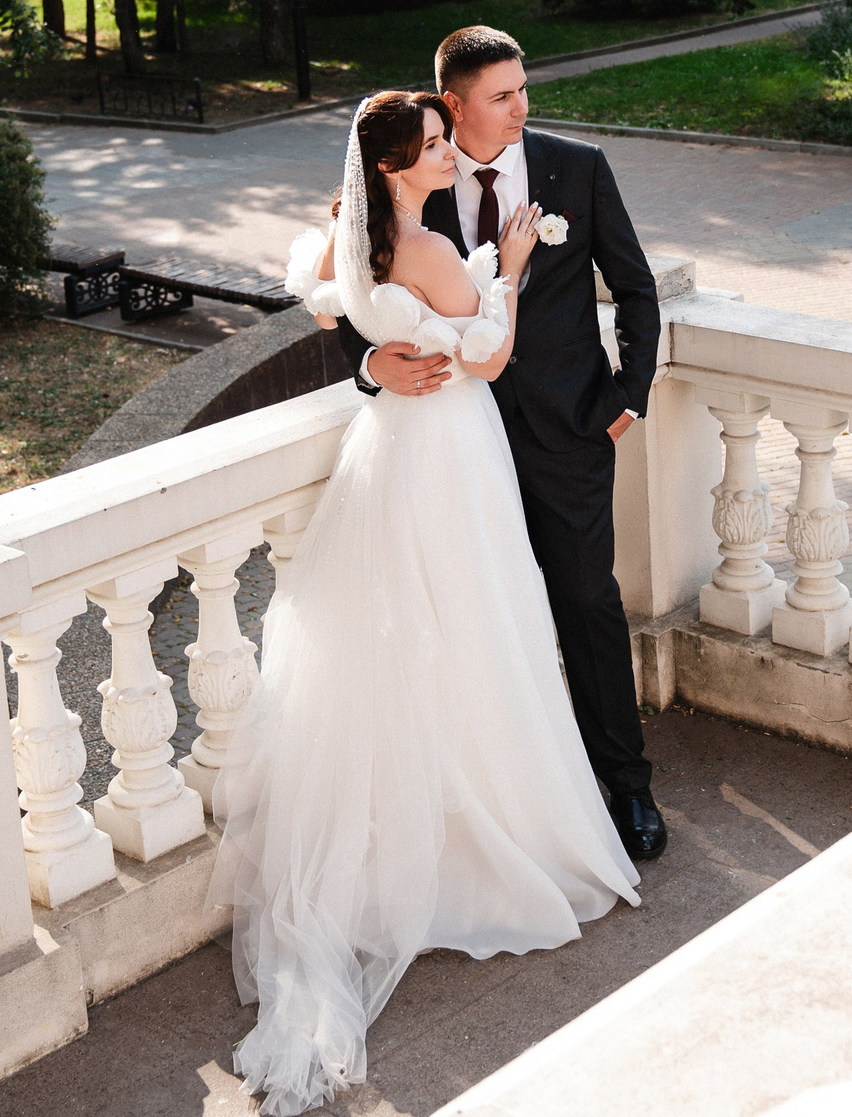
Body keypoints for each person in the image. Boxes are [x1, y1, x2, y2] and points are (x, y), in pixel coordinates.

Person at [208, 90, 640, 1112]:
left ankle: (411, 837)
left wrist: (377, 339)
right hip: (450, 446)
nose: (452, 151)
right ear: (402, 163)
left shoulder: (361, 239)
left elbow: (322, 286)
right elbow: (484, 351)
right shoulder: (422, 240)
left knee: (409, 635)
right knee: (472, 625)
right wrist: (516, 271)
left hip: (394, 454)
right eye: (438, 142)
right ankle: (474, 841)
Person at [338, 26, 669, 863]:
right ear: (454, 104)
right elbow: (356, 288)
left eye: (524, 88)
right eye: (504, 94)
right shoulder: (418, 175)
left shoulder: (577, 167)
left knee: (587, 603)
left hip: (569, 431)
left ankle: (626, 785)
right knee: (480, 618)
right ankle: (503, 805)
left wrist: (628, 397)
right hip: (458, 442)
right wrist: (369, 360)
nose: (524, 106)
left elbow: (633, 286)